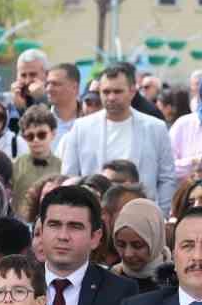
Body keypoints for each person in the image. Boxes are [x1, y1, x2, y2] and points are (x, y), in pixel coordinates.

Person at [33, 185, 137, 305]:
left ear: (95, 238)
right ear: (41, 232)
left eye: (75, 227)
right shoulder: (17, 284)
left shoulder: (120, 294)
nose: (63, 236)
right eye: (54, 225)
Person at [60, 63, 176, 212]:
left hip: (141, 214)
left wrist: (161, 214)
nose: (111, 97)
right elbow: (70, 177)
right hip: (93, 215)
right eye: (106, 92)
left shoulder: (156, 128)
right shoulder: (81, 128)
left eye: (118, 91)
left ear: (132, 91)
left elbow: (167, 178)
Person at [11, 107, 61, 217]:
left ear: (53, 134)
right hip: (21, 223)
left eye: (41, 135)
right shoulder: (16, 165)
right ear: (24, 137)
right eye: (30, 136)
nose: (36, 140)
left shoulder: (62, 166)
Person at [111, 198, 168, 294]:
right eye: (121, 245)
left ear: (156, 241)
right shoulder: (111, 279)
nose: (128, 254)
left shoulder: (174, 282)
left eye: (137, 245)